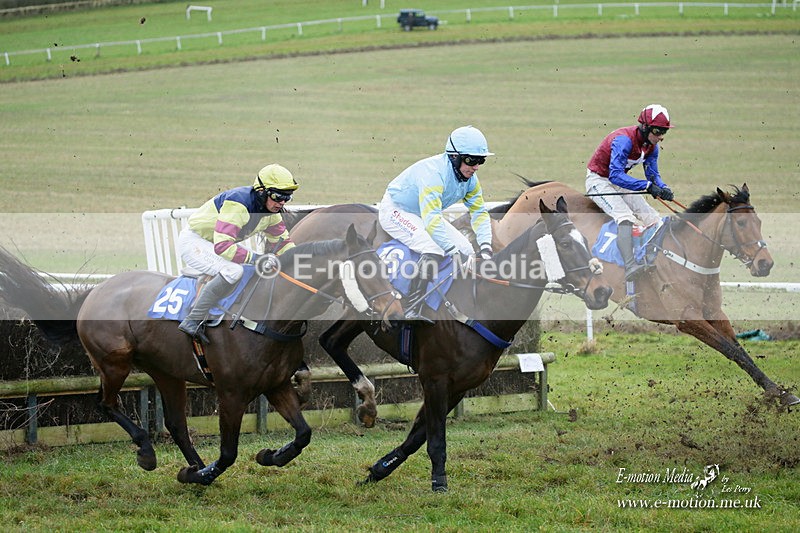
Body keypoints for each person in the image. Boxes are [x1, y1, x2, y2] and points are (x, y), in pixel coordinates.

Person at [378, 125, 494, 321]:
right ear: (454, 157)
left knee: (467, 250)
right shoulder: (434, 175)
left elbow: (479, 213)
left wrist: (486, 247)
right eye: (471, 160)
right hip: (397, 210)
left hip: (423, 212)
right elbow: (432, 221)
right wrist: (452, 251)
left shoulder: (471, 181)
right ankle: (412, 307)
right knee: (434, 247)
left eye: (480, 161)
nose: (476, 167)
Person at [177, 163, 298, 343]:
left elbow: (284, 245)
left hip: (216, 243)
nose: (282, 203)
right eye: (277, 196)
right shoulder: (238, 203)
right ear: (261, 192)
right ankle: (193, 319)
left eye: (287, 198)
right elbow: (223, 247)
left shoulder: (272, 214)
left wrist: (303, 263)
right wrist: (258, 258)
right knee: (234, 271)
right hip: (195, 242)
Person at [585, 104, 674, 281]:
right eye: (657, 131)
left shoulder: (652, 147)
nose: (661, 137)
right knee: (625, 217)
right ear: (645, 126)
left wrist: (663, 188)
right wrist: (647, 186)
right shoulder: (623, 141)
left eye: (664, 132)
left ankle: (651, 258)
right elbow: (615, 175)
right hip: (598, 181)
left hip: (619, 181)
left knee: (653, 218)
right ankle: (630, 266)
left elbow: (653, 174)